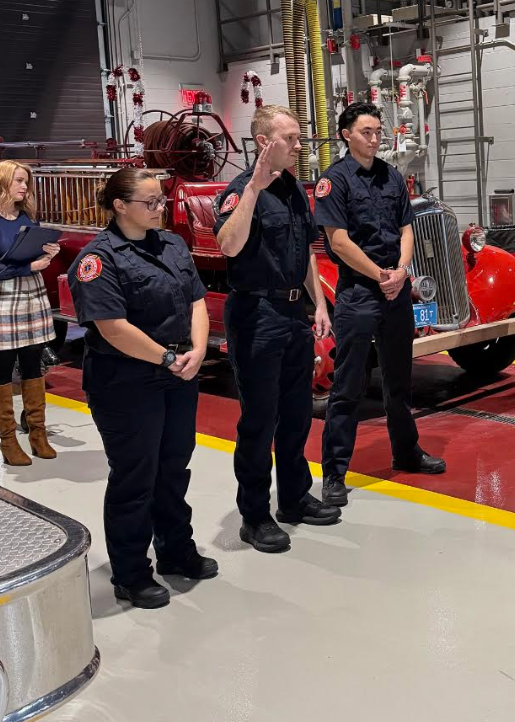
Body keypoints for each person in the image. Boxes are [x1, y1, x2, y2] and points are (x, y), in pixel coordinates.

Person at [68, 167, 217, 609]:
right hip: (127, 383)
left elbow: (196, 301)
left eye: (161, 201)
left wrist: (198, 350)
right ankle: (131, 573)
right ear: (119, 206)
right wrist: (170, 358)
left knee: (174, 468)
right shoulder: (99, 260)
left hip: (178, 375)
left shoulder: (171, 244)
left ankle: (175, 550)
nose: (160, 209)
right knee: (135, 477)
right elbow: (113, 329)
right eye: (150, 202)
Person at [214, 105, 340, 554]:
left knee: (296, 414)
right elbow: (228, 244)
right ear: (265, 143)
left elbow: (304, 249)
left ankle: (292, 497)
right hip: (256, 315)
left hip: (292, 315)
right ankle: (254, 515)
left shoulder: (293, 189)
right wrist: (252, 188)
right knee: (259, 421)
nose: (300, 145)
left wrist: (319, 303)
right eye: (290, 138)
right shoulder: (239, 191)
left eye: (299, 137)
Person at [313, 101, 446, 508]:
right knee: (349, 384)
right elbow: (338, 241)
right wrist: (381, 276)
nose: (374, 139)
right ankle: (335, 472)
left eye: (377, 132)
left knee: (399, 381)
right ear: (346, 135)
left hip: (396, 290)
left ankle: (406, 451)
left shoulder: (392, 176)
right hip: (359, 293)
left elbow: (407, 228)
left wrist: (402, 270)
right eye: (366, 132)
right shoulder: (334, 181)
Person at [0, 160, 60, 466]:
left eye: (26, 181)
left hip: (32, 298)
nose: (24, 186)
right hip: (4, 300)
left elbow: (31, 254)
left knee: (33, 364)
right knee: (3, 369)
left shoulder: (26, 218)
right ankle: (8, 441)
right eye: (19, 181)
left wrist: (47, 253)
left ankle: (38, 434)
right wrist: (28, 266)